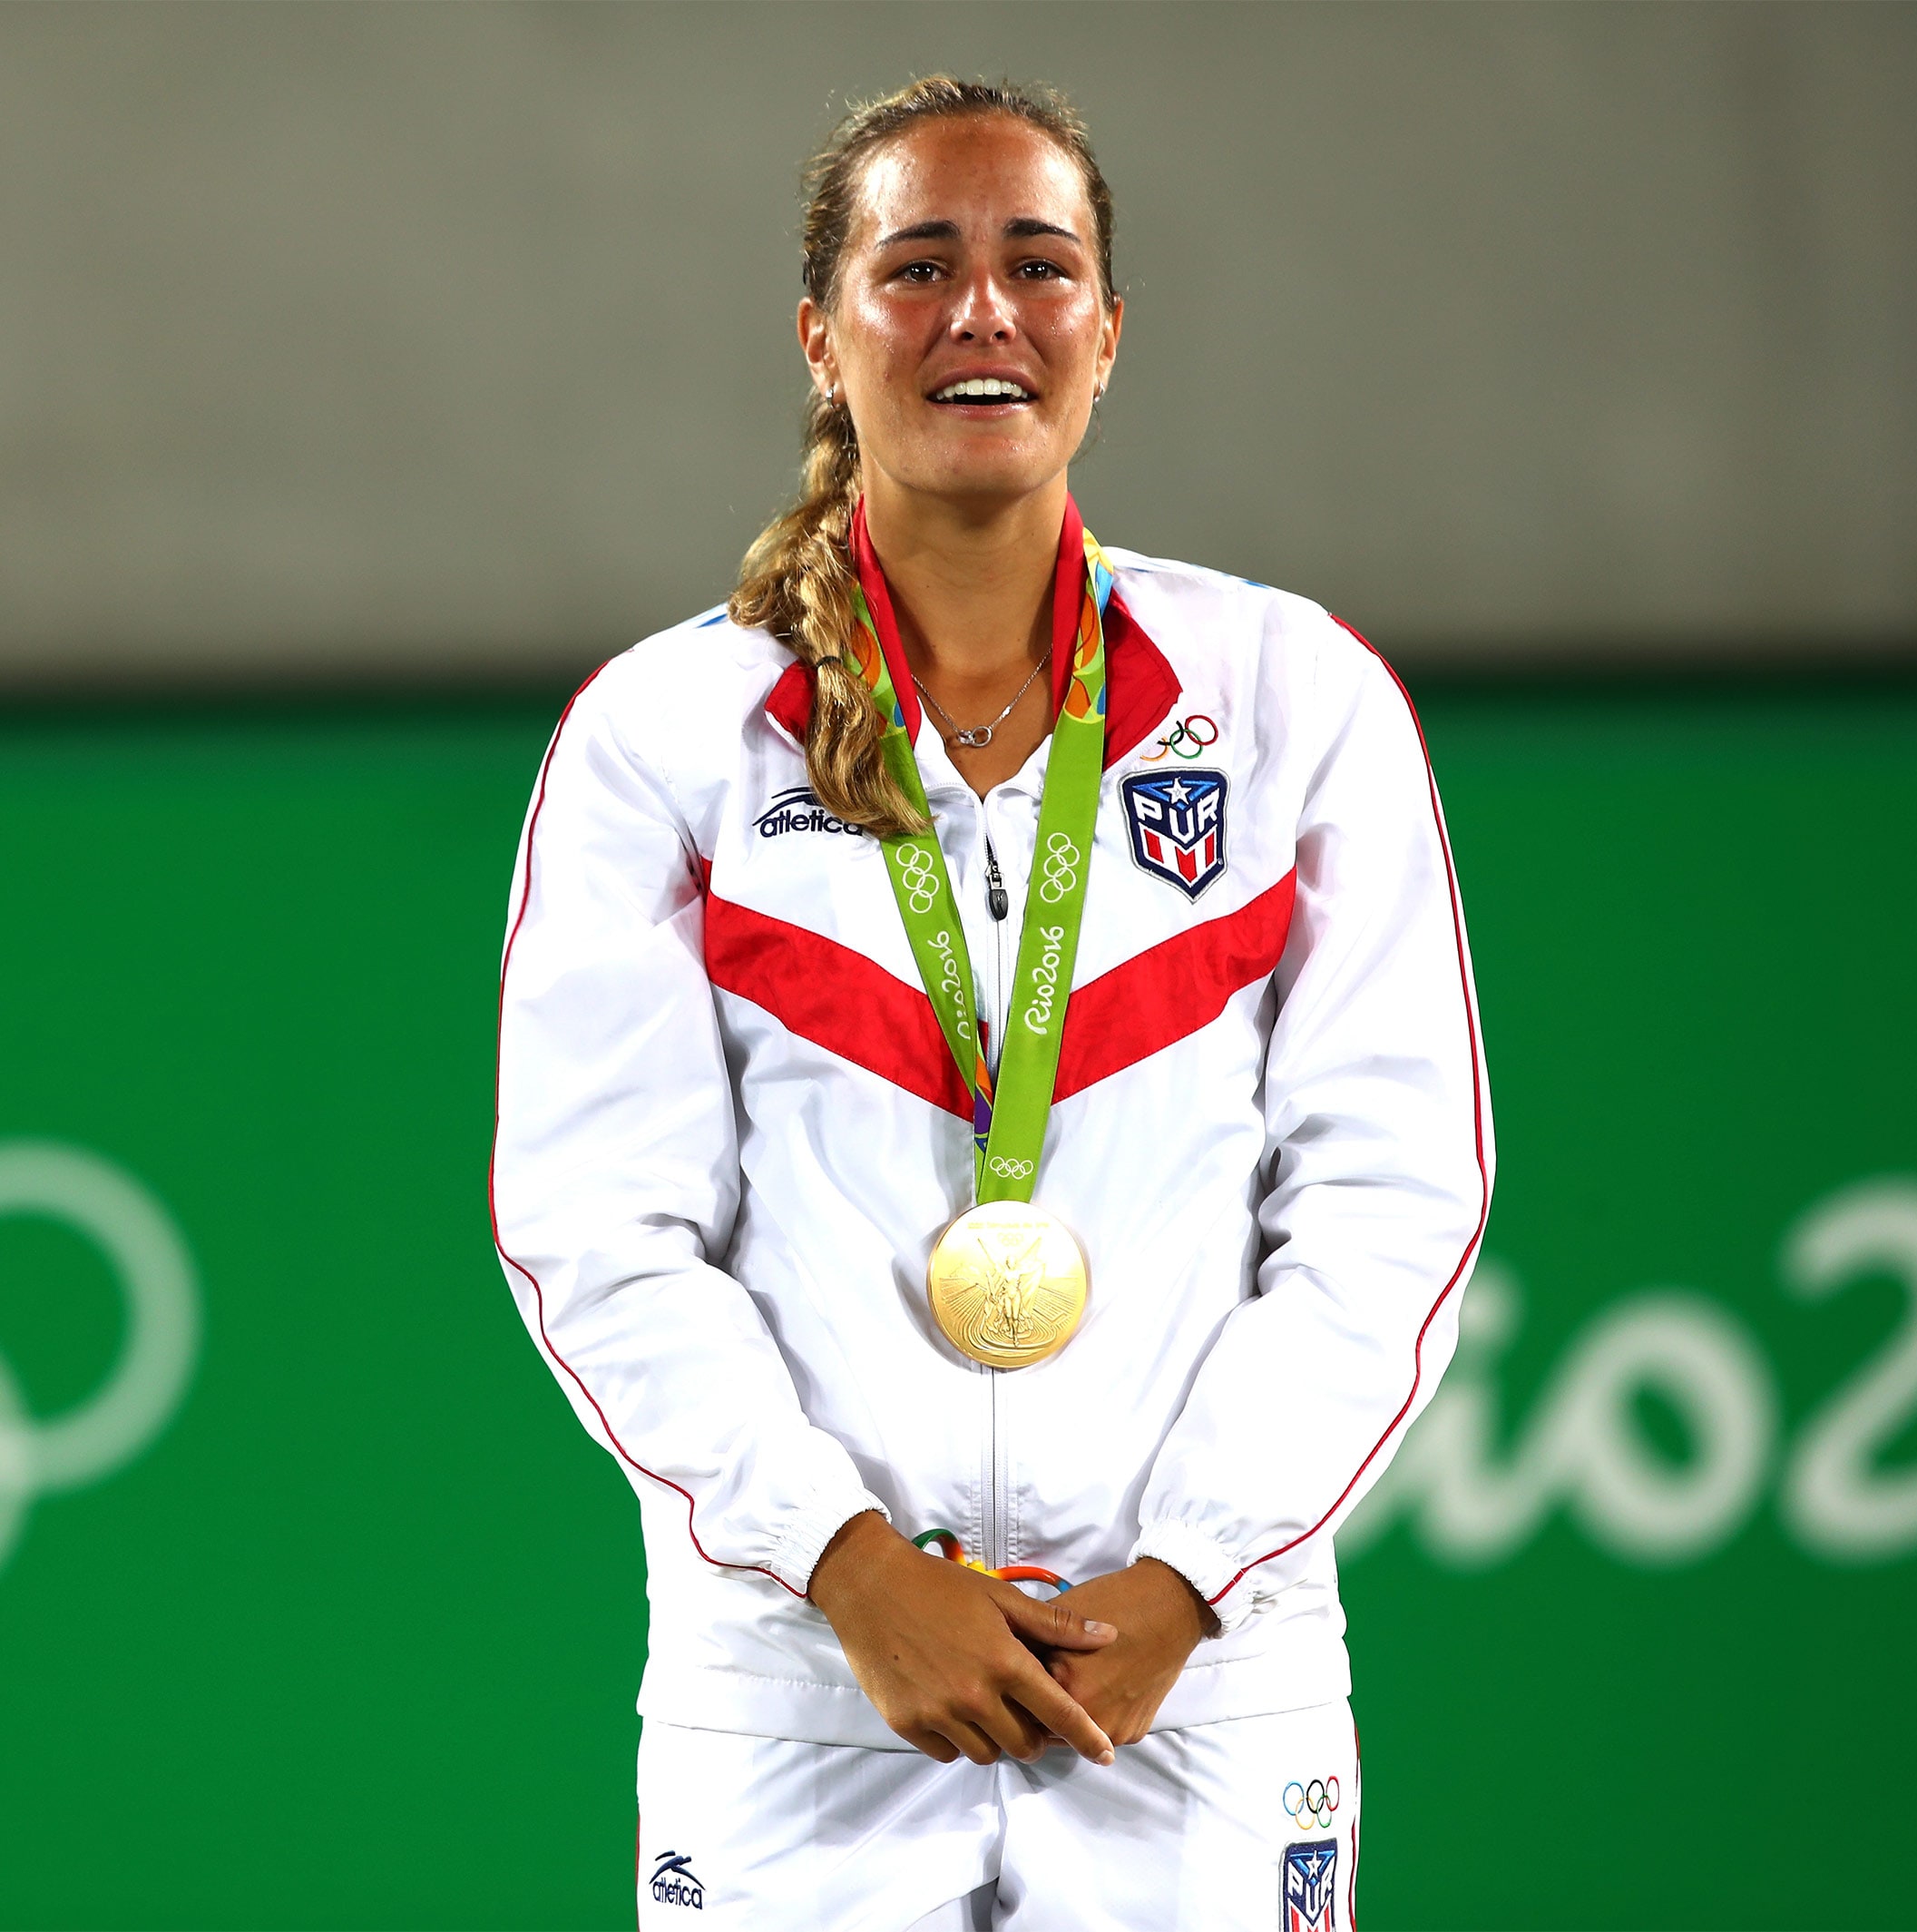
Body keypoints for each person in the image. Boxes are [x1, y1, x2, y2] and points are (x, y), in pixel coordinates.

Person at [492, 75, 1491, 1932]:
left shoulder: (1287, 700)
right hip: (800, 1700)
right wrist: (848, 1567)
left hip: (1197, 1696)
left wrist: (1188, 1577)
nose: (981, 313)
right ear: (820, 333)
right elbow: (599, 1234)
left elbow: (1389, 1203)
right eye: (917, 266)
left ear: (1106, 335)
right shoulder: (666, 736)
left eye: (1040, 266)